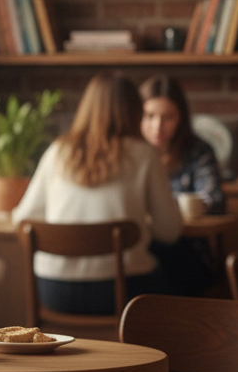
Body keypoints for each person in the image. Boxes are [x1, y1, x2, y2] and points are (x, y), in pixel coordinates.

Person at [11, 74, 182, 315]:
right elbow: (170, 232)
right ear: (134, 111)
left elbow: (23, 220)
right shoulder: (144, 155)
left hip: (55, 289)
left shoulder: (58, 151)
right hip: (121, 289)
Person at [139, 74, 225, 294]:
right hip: (139, 247)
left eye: (168, 117)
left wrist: (166, 208)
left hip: (187, 248)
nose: (157, 126)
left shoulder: (197, 151)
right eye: (149, 116)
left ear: (181, 118)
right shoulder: (132, 153)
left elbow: (214, 199)